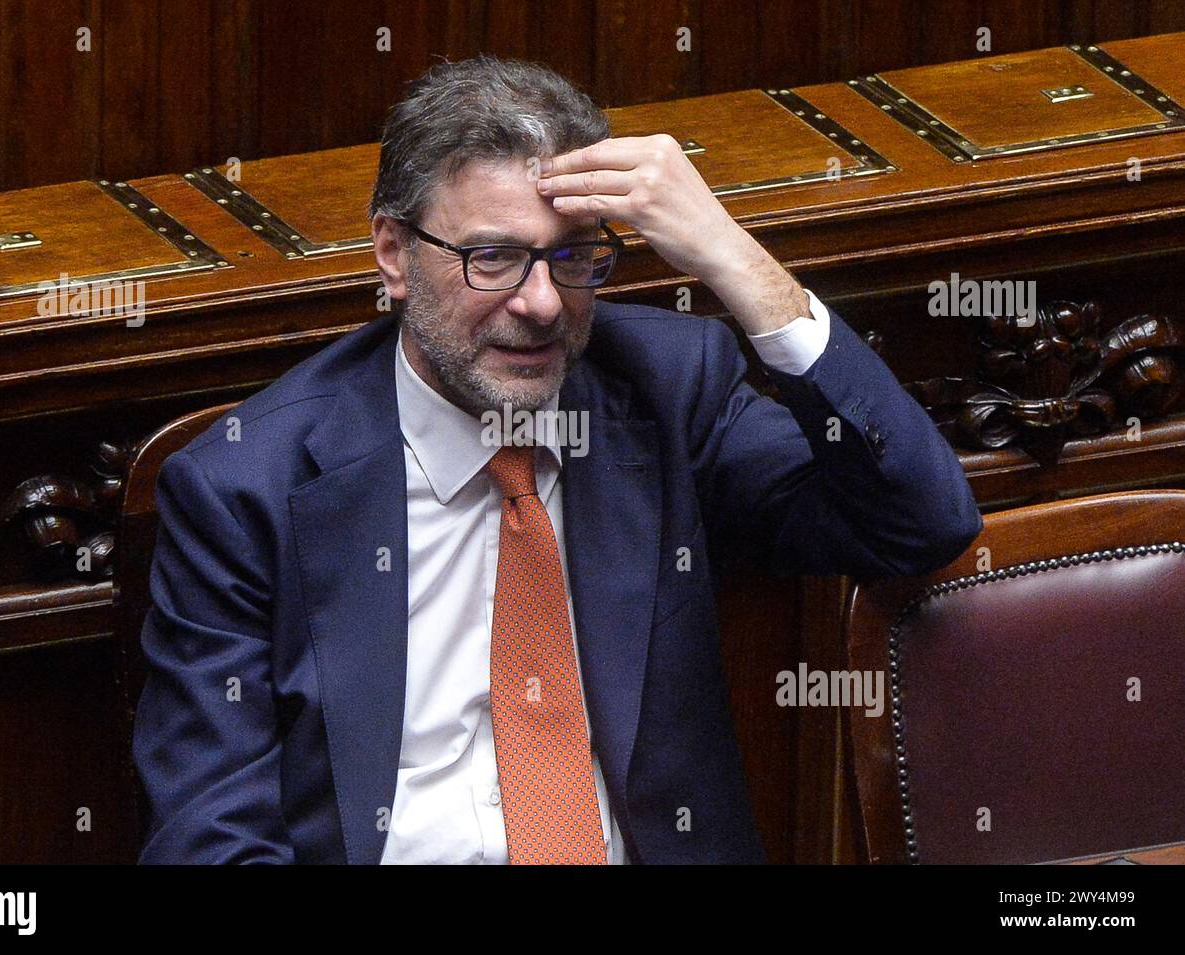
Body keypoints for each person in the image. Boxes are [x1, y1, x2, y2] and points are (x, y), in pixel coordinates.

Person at [132, 54, 981, 864]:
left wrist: (735, 258)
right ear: (393, 254)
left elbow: (918, 521)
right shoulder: (247, 488)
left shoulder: (664, 390)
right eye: (493, 257)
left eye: (574, 257)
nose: (541, 304)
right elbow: (212, 839)